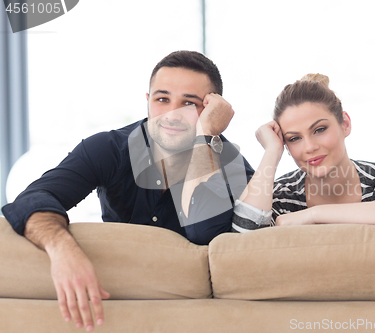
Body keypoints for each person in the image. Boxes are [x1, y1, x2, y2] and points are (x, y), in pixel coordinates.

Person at [1, 50, 254, 331]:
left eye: (189, 103)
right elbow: (33, 199)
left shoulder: (230, 164)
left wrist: (205, 138)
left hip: (190, 317)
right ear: (147, 101)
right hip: (115, 304)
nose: (172, 114)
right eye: (162, 99)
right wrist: (63, 249)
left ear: (210, 110)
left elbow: (205, 232)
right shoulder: (109, 148)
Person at [232, 73, 375, 232]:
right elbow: (244, 237)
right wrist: (272, 151)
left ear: (344, 124)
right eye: (294, 139)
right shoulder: (281, 196)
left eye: (319, 130)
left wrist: (313, 215)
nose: (309, 147)